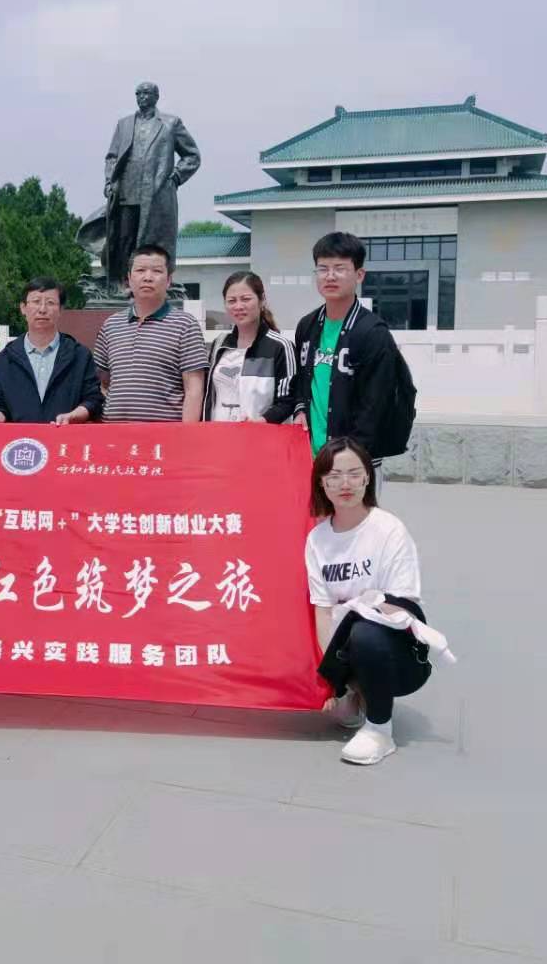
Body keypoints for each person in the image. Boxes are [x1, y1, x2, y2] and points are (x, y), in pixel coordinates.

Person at [305, 437, 453, 765]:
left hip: (396, 655)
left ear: (367, 478)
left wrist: (358, 608)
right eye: (334, 476)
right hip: (346, 651)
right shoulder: (317, 539)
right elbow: (323, 611)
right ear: (321, 483)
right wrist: (334, 680)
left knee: (365, 629)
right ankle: (356, 692)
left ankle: (380, 730)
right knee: (342, 714)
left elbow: (400, 606)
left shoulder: (388, 529)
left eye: (354, 474)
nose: (345, 484)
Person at [292, 232, 415, 470]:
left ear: (359, 275)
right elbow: (301, 382)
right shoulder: (307, 326)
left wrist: (350, 459)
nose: (330, 276)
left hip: (356, 462)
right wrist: (300, 409)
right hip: (311, 457)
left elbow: (375, 404)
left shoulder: (373, 332)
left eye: (340, 268)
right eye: (323, 269)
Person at [99, 81, 201, 288]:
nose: (142, 97)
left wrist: (176, 177)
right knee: (124, 240)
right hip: (126, 193)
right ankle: (124, 284)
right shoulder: (124, 124)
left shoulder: (171, 123)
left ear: (156, 97)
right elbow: (112, 157)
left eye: (146, 93)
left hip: (156, 194)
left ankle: (155, 285)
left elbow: (192, 155)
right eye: (139, 93)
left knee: (151, 244)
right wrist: (109, 181)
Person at [93, 244, 209, 423]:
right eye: (140, 270)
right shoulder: (111, 325)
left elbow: (194, 389)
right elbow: (103, 382)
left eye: (156, 271)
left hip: (164, 435)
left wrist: (187, 435)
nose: (148, 277)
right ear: (129, 279)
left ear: (168, 280)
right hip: (114, 431)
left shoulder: (185, 325)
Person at [0, 277, 103, 425]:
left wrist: (73, 416)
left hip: (64, 436)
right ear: (23, 308)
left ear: (60, 310)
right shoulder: (6, 358)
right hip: (22, 439)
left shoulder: (79, 356)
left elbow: (93, 399)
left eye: (50, 303)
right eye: (36, 302)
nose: (42, 309)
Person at [202, 271, 298, 423]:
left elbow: (288, 400)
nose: (238, 306)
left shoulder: (281, 346)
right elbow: (208, 395)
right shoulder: (219, 344)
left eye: (246, 299)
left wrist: (262, 421)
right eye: (231, 301)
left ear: (262, 300)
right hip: (218, 432)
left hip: (260, 434)